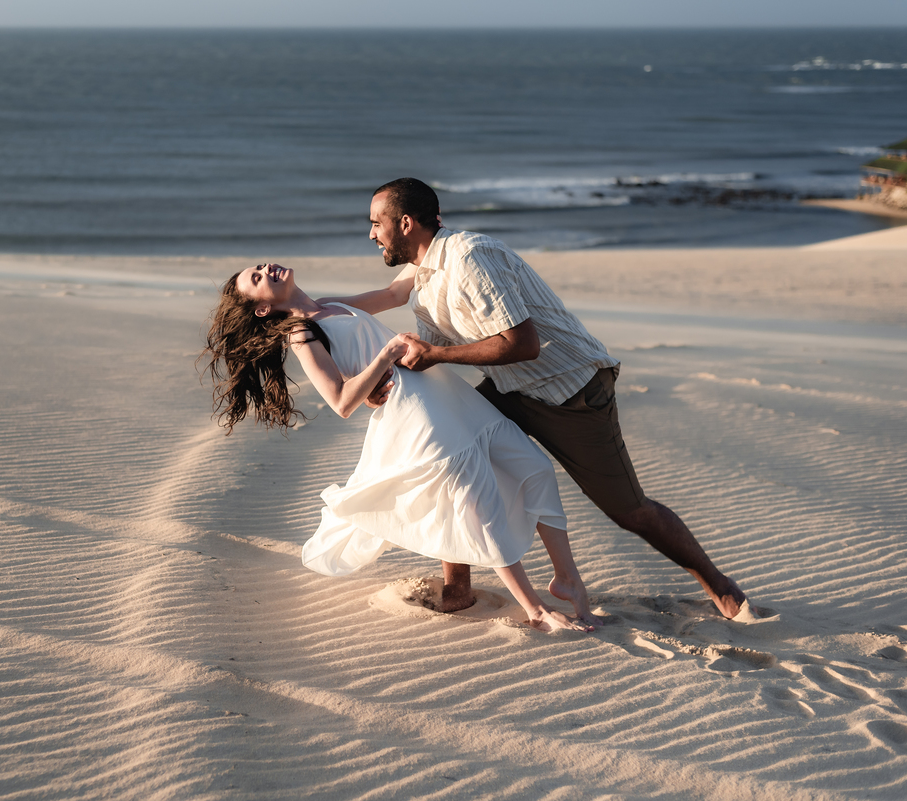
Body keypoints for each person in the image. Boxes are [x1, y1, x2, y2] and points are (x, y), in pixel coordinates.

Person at [357, 177, 748, 619]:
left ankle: (721, 586)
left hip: (572, 390)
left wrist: (438, 355)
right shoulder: (426, 273)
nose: (372, 234)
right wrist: (315, 322)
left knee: (629, 510)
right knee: (451, 450)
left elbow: (524, 344)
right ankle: (458, 587)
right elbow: (406, 326)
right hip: (512, 388)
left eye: (376, 223)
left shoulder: (468, 258)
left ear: (405, 223)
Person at [202, 262, 598, 632]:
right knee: (479, 507)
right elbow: (340, 401)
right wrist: (386, 355)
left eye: (258, 267)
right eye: (256, 279)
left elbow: (395, 293)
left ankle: (566, 579)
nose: (264, 269)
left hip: (454, 399)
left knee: (535, 468)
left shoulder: (331, 306)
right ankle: (535, 609)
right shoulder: (301, 333)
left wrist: (434, 238)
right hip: (420, 416)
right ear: (263, 309)